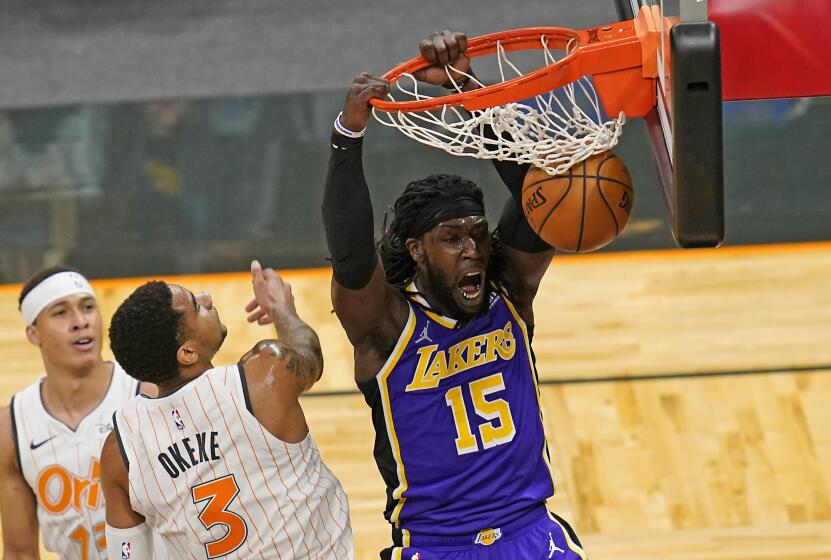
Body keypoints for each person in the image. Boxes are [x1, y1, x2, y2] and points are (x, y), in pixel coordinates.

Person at [323, 31, 588, 559]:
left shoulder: (508, 293)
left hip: (531, 535)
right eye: (451, 239)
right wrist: (347, 136)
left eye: (477, 234)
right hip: (438, 545)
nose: (471, 249)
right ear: (416, 250)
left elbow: (543, 197)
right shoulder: (387, 326)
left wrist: (466, 89)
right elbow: (352, 258)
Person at [99, 260, 353, 559]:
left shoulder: (119, 452)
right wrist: (281, 308)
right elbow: (309, 354)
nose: (206, 296)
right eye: (196, 305)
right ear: (188, 353)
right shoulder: (265, 376)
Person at [0, 266, 155, 559]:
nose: (80, 322)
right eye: (61, 312)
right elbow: (20, 552)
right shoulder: (11, 427)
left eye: (87, 307)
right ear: (33, 334)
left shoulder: (146, 394)